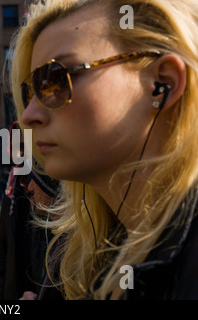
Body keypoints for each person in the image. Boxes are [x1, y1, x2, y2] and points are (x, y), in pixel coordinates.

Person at [11, 0, 198, 299]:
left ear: (163, 82)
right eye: (31, 91)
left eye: (56, 79)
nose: (28, 114)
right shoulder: (84, 253)